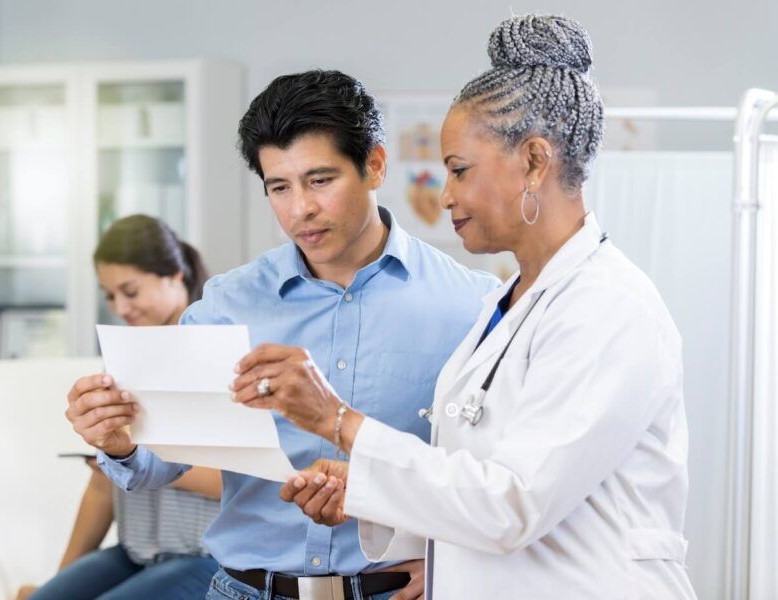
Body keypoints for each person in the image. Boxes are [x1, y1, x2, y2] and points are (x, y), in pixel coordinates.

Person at [232, 15, 697, 599]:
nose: (445, 194)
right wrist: (366, 488)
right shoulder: (509, 301)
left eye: (459, 170)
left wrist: (337, 421)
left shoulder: (608, 307)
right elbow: (476, 480)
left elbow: (510, 505)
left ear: (533, 161)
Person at [64, 70, 500, 599]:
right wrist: (119, 442)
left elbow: (498, 477)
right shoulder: (228, 303)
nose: (300, 209)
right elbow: (163, 459)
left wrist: (457, 564)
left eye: (320, 180)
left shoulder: (471, 305)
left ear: (374, 165)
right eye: (279, 187)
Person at [20, 215, 222, 600]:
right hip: (137, 552)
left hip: (205, 558)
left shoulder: (216, 351)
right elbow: (100, 488)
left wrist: (135, 458)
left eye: (130, 291)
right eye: (110, 295)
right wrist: (55, 587)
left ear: (174, 275)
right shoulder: (125, 359)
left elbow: (232, 481)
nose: (120, 307)